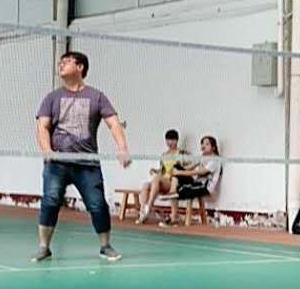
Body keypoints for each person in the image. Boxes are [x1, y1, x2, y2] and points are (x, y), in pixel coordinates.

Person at [33, 50, 132, 262]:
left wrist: (122, 148)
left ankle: (105, 246)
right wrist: (47, 151)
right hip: (58, 162)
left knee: (97, 204)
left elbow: (114, 123)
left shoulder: (97, 96)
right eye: (60, 62)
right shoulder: (52, 97)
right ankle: (44, 247)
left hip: (87, 163)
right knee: (50, 200)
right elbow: (42, 127)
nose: (61, 65)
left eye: (67, 61)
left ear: (80, 67)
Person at [165, 135, 223, 226]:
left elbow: (199, 172)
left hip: (205, 187)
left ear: (213, 147)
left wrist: (180, 173)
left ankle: (175, 216)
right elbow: (188, 168)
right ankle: (173, 193)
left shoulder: (215, 160)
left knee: (185, 190)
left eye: (207, 144)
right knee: (177, 166)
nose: (203, 146)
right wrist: (175, 171)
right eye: (202, 143)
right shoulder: (202, 157)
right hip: (196, 183)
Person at [137, 129, 187, 225]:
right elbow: (162, 170)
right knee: (145, 185)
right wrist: (155, 170)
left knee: (157, 179)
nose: (169, 142)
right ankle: (143, 212)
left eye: (172, 140)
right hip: (163, 181)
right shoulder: (164, 155)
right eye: (167, 140)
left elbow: (185, 169)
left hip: (174, 182)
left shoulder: (181, 153)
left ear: (176, 141)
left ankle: (149, 206)